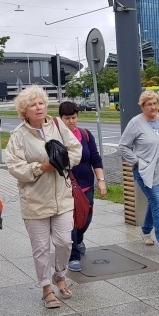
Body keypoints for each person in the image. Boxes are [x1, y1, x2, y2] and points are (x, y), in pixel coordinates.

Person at [5, 86, 82, 309]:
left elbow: (75, 149)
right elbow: (14, 166)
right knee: (40, 248)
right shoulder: (18, 135)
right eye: (32, 105)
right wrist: (41, 167)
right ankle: (46, 288)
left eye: (41, 103)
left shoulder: (57, 125)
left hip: (62, 198)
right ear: (24, 111)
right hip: (35, 201)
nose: (38, 107)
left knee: (65, 242)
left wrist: (63, 163)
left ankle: (59, 274)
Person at [118, 90, 159, 258]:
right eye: (149, 104)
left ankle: (146, 230)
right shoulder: (135, 123)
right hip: (146, 173)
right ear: (142, 106)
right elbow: (123, 146)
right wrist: (136, 161)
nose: (153, 107)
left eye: (155, 103)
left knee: (155, 204)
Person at [57, 101, 106, 272]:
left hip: (86, 185)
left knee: (86, 219)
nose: (71, 121)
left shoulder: (85, 135)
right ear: (61, 119)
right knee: (71, 222)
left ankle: (78, 239)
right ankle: (74, 256)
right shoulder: (57, 138)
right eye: (67, 118)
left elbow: (95, 159)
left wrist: (101, 180)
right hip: (66, 187)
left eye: (74, 117)